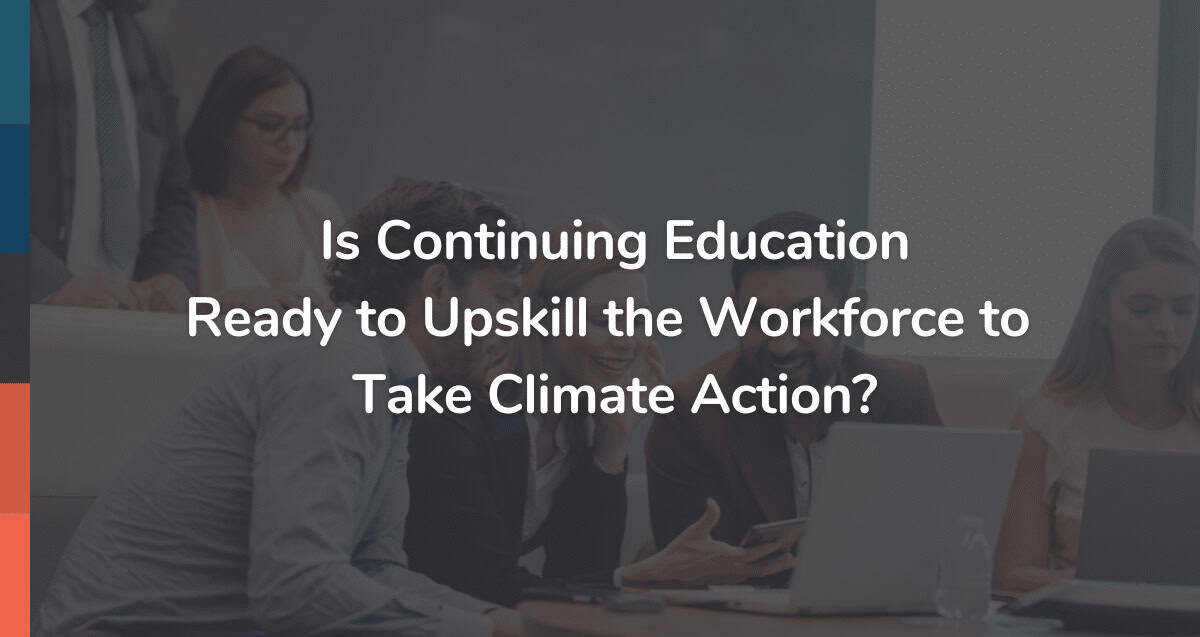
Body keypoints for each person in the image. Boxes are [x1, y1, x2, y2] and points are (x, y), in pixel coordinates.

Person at [36, 181, 528, 637]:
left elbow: (375, 569)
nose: (511, 324)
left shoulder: (384, 375)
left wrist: (493, 620)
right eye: (503, 300)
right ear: (439, 287)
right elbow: (295, 590)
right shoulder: (337, 362)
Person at [405, 218, 798, 607]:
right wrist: (646, 574)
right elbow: (482, 583)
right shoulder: (457, 414)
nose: (628, 341)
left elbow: (576, 577)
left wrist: (612, 444)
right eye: (603, 319)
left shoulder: (586, 425)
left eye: (639, 320)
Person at [645, 211, 943, 550]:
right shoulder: (690, 412)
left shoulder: (904, 392)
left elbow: (936, 540)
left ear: (853, 311)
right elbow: (689, 569)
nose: (781, 344)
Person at [995, 217, 1200, 594]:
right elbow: (1013, 572)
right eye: (1142, 309)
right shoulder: (1046, 419)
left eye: (1184, 310)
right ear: (1101, 311)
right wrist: (1126, 587)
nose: (1166, 327)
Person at [31, 0, 195, 310]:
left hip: (119, 328)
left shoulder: (147, 46)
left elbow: (173, 191)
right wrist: (49, 284)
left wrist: (169, 273)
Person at [185, 46, 343, 310]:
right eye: (270, 126)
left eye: (299, 127)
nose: (289, 144)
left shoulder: (321, 212)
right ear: (224, 126)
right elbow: (159, 316)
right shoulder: (188, 215)